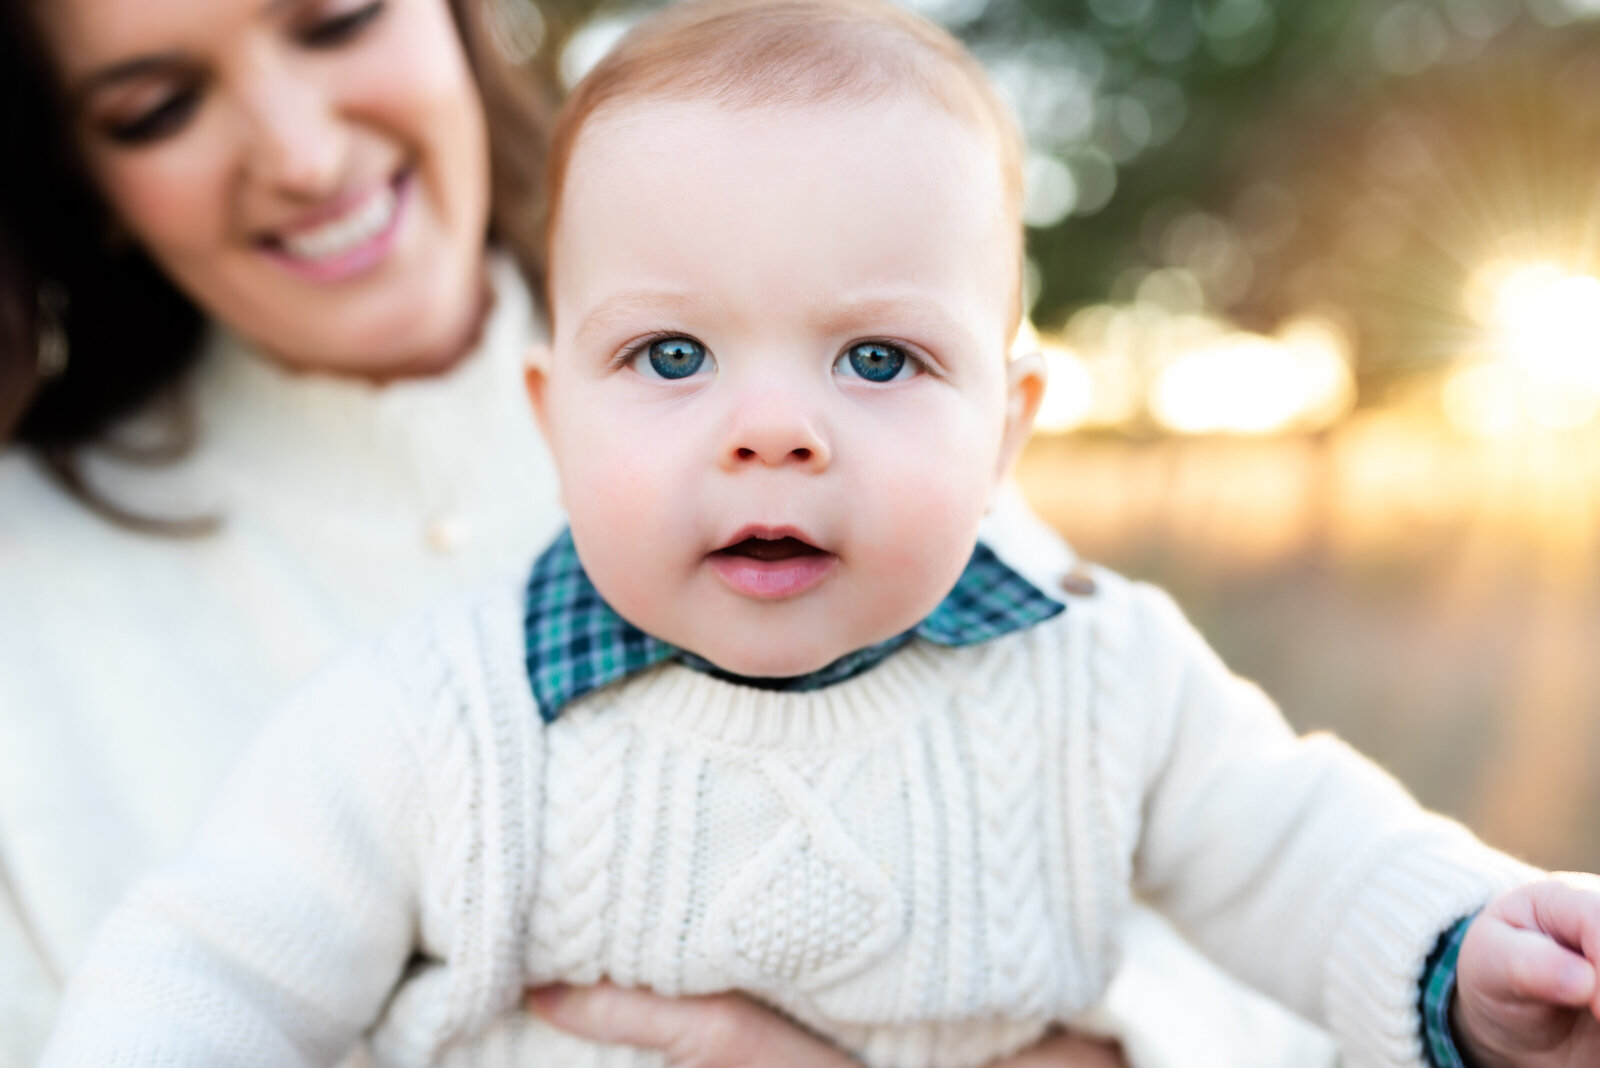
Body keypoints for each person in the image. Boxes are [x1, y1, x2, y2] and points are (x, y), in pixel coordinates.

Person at [38, 0, 1600, 1065]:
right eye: (669, 359)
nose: (772, 429)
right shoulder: (436, 714)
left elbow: (1301, 849)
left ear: (1009, 422)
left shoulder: (1089, 658)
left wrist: (1466, 958)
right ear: (550, 416)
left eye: (876, 359)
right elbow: (214, 966)